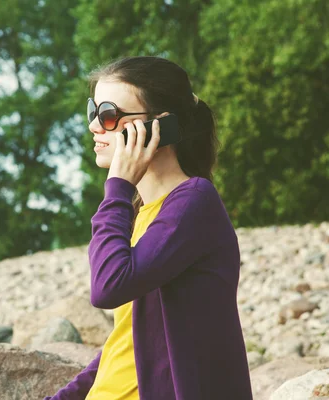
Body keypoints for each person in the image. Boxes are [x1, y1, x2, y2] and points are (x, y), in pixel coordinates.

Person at [44, 56, 253, 400]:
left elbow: (107, 288)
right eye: (92, 112)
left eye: (109, 115)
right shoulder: (143, 214)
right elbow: (127, 340)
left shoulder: (193, 202)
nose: (95, 126)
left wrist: (118, 186)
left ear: (162, 127)